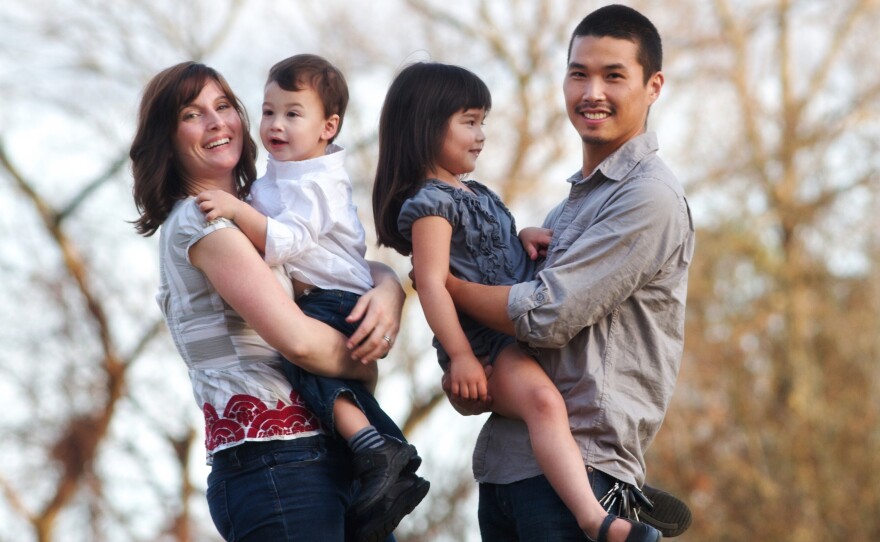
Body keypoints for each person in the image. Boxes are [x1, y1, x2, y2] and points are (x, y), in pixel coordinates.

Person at [130, 61, 425, 542]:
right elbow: (302, 344)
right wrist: (367, 362)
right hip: (276, 464)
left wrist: (389, 287)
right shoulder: (200, 222)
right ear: (166, 138)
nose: (216, 121)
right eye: (192, 114)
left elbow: (334, 265)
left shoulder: (264, 206)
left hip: (331, 455)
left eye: (223, 105)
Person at [436, 5, 696, 541]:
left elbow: (545, 314)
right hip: (506, 470)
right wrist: (469, 369)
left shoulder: (649, 198)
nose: (591, 91)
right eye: (579, 73)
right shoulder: (566, 210)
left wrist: (444, 285)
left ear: (654, 86)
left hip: (585, 475)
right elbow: (513, 341)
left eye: (613, 75)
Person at [372, 61, 660, 542]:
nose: (481, 134)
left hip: (509, 337)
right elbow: (432, 283)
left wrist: (520, 234)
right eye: (468, 121)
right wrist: (462, 356)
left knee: (547, 403)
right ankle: (595, 520)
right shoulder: (430, 205)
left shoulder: (472, 192)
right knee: (545, 404)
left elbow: (483, 250)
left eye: (482, 121)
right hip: (487, 346)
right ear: (425, 126)